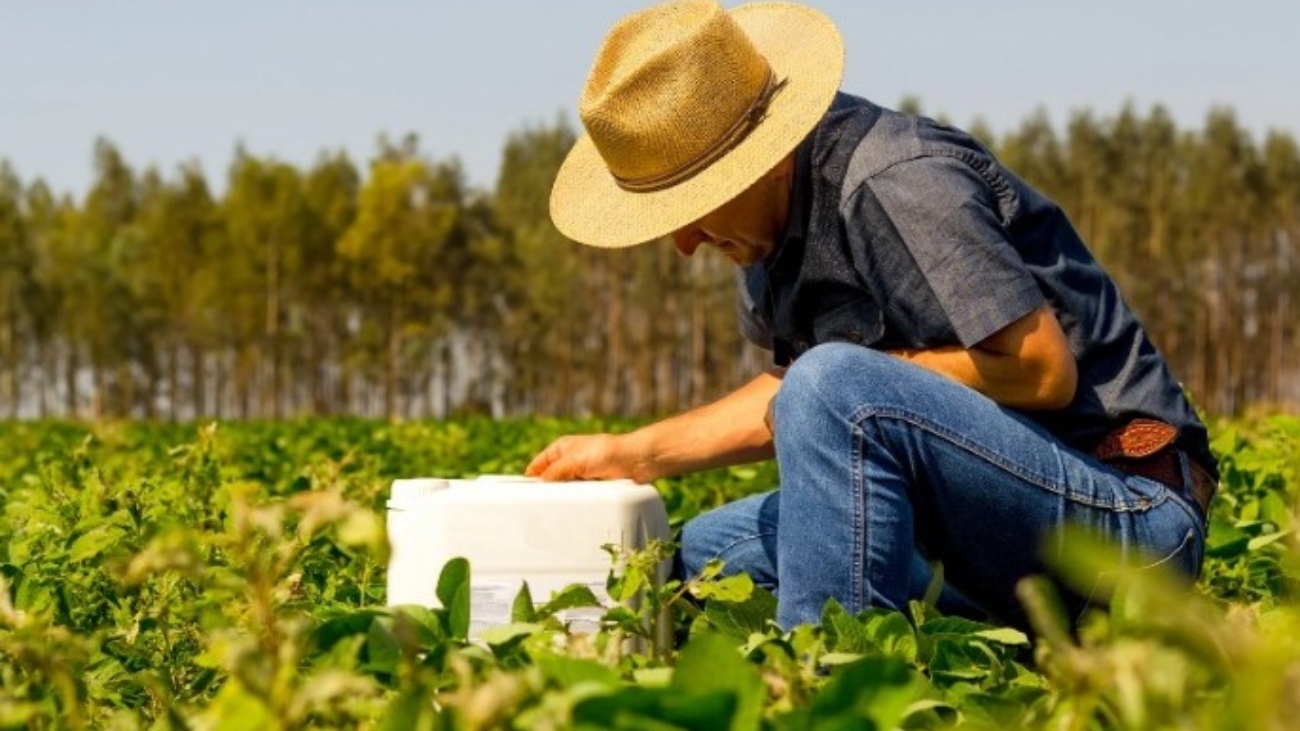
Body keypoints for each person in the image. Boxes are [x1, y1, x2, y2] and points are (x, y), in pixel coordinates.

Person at [525, 0, 1217, 629]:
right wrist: (631, 452)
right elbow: (793, 395)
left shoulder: (895, 179)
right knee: (703, 556)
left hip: (1126, 524)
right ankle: (996, 637)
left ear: (757, 161)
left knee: (831, 384)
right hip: (982, 532)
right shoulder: (764, 238)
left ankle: (829, 685)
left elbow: (1040, 371)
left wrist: (858, 382)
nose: (683, 244)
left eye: (691, 206)